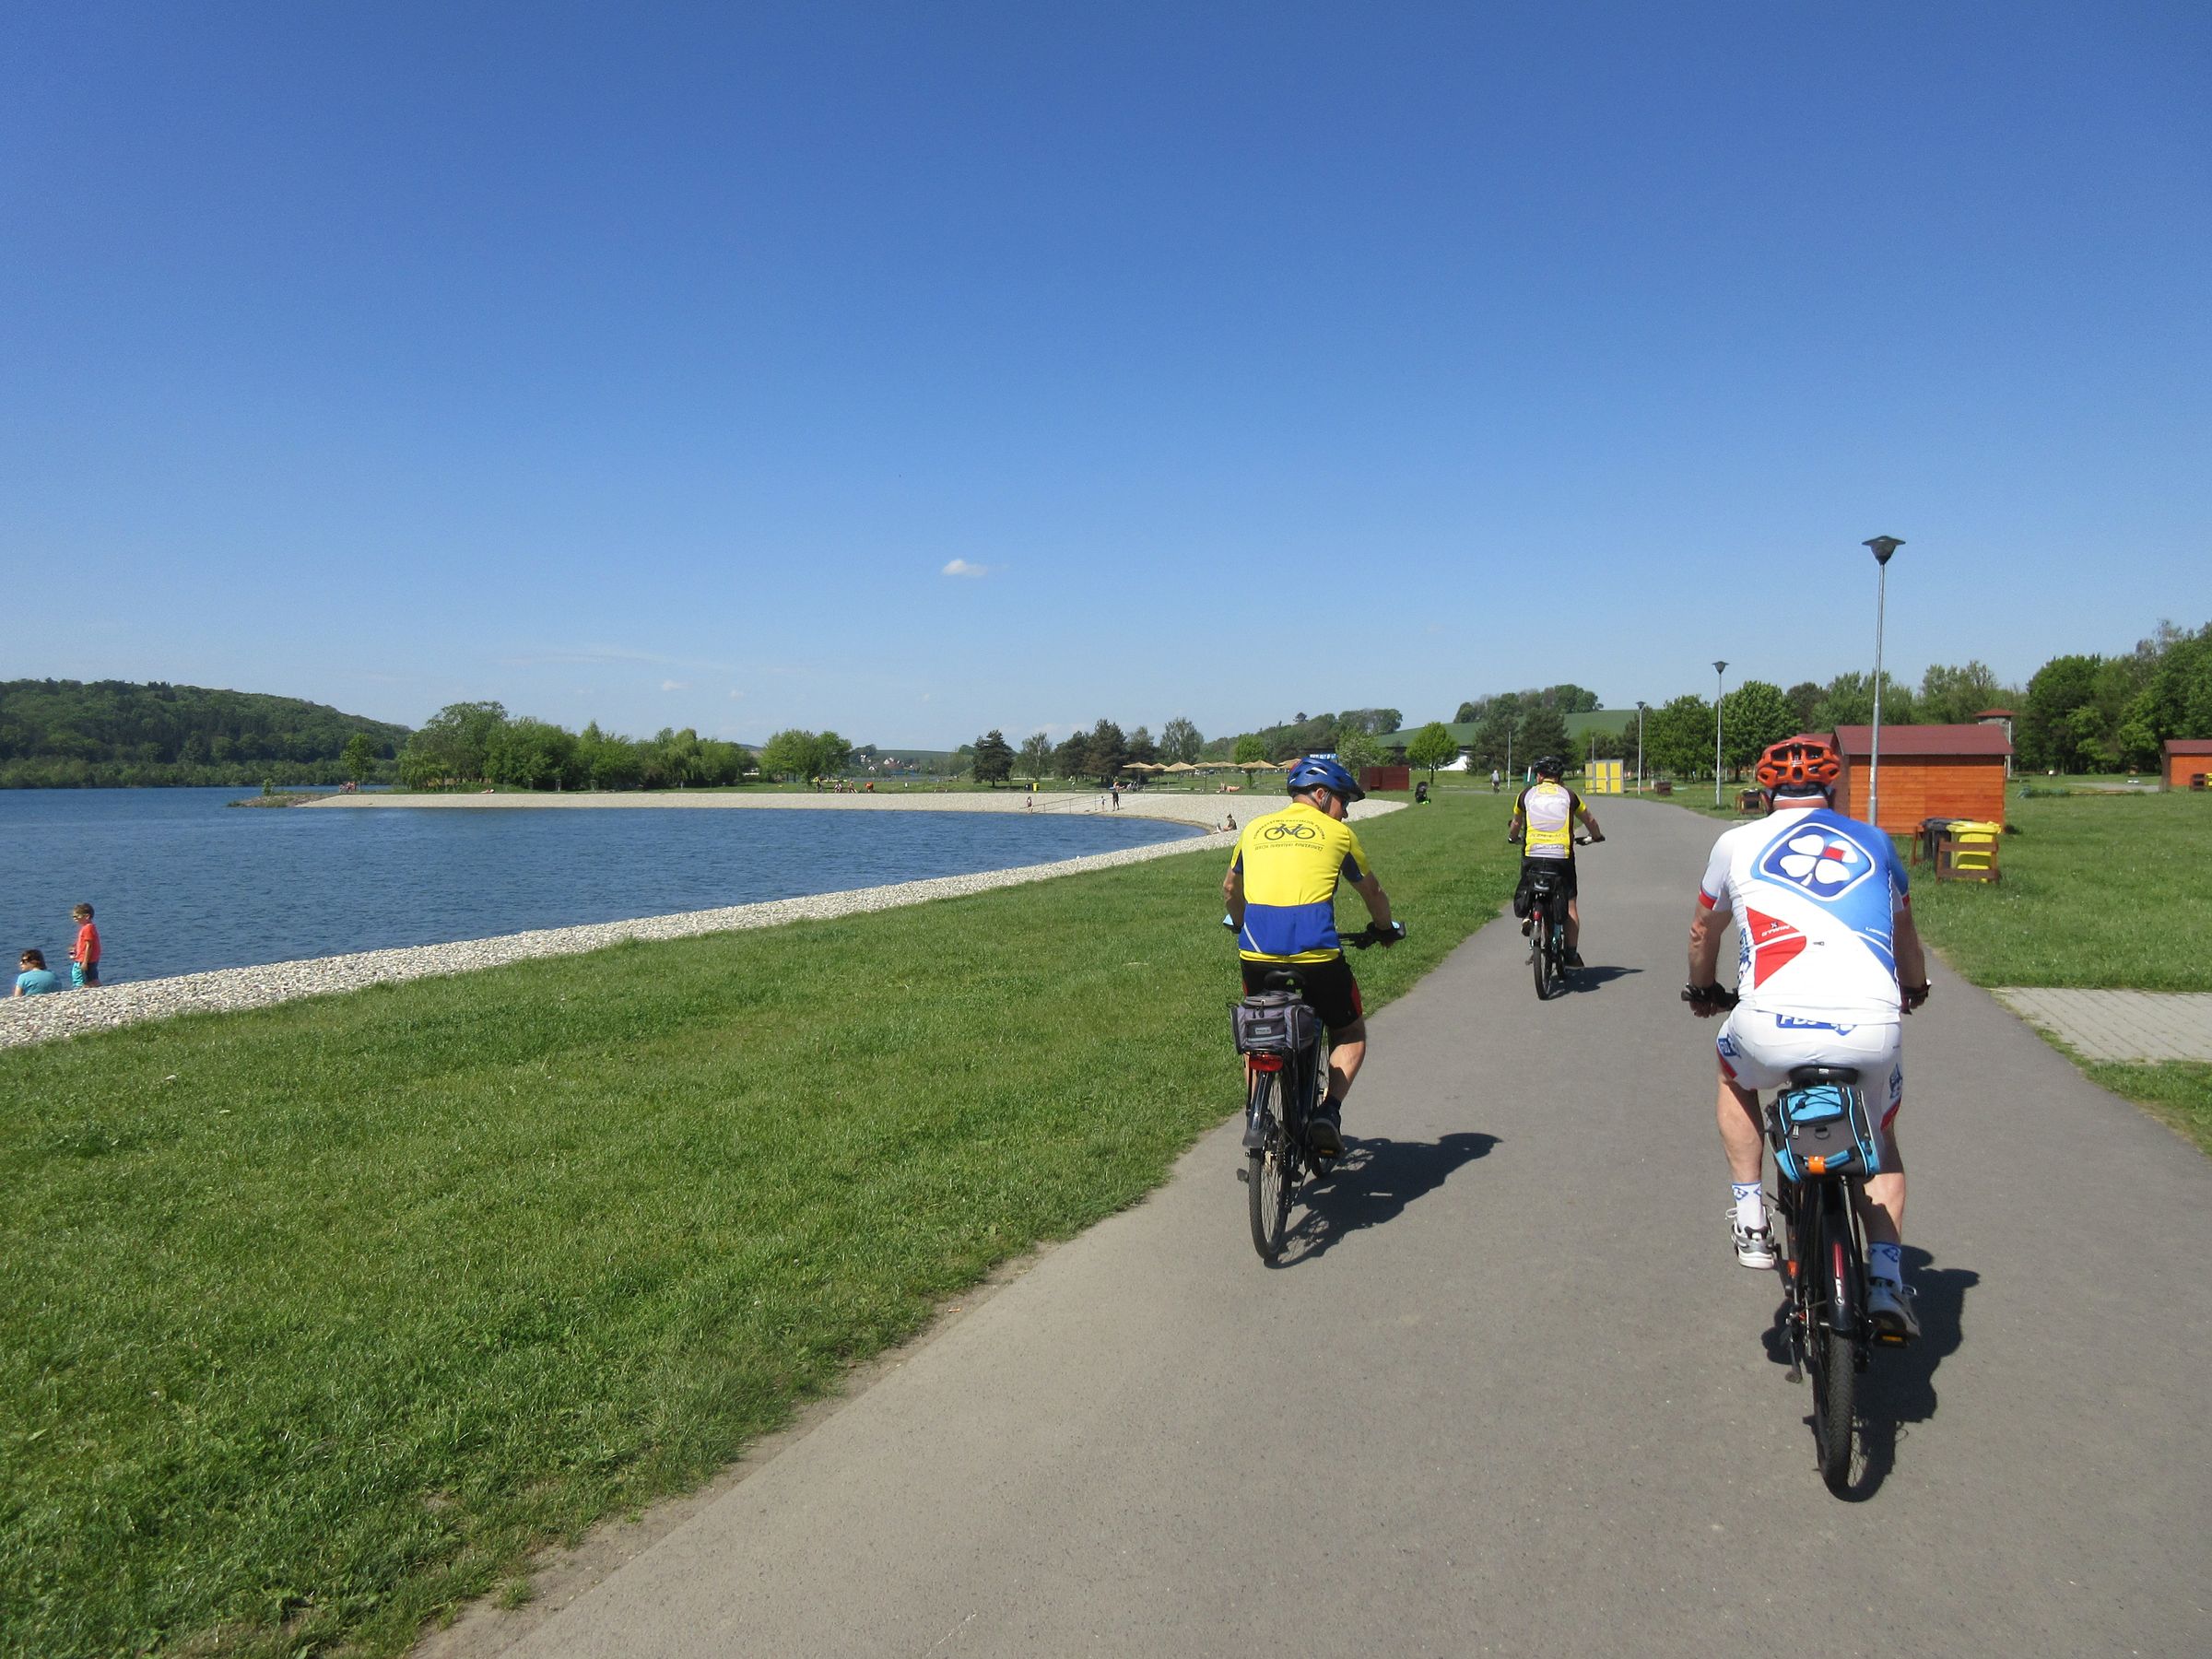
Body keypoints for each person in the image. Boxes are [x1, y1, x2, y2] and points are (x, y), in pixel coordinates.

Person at [1684, 735, 1930, 1339]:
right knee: (1881, 1138)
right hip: (1869, 1028)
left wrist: (1704, 989)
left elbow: (1703, 930)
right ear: (1833, 787)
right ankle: (1886, 1280)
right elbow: (1904, 930)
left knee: (1733, 1073)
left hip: (1771, 1024)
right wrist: (1914, 987)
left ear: (1765, 791)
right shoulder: (1875, 842)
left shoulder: (1736, 843)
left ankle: (1750, 1216)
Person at [1222, 755, 1401, 1156]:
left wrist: (1241, 922)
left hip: (1257, 954)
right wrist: (1385, 929)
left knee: (1258, 1029)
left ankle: (1257, 1115)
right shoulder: (1339, 835)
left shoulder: (1253, 829)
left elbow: (1231, 889)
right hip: (1317, 957)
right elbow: (1372, 893)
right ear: (1321, 795)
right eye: (1343, 802)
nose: (1345, 812)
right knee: (1350, 1031)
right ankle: (1328, 1112)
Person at [1507, 758, 1604, 968]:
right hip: (1561, 857)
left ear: (1539, 776)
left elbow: (1516, 823)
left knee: (1530, 885)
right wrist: (1596, 836)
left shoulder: (1525, 795)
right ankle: (1570, 954)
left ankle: (1530, 917)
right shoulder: (1569, 796)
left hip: (1533, 855)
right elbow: (1589, 820)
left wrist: (1512, 837)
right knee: (1570, 904)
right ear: (1559, 777)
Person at [69, 902, 100, 988]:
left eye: (76, 916)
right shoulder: (88, 927)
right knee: (92, 977)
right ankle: (96, 988)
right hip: (87, 958)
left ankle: (83, 989)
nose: (74, 919)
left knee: (84, 979)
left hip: (86, 959)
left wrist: (85, 962)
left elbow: (89, 945)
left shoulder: (87, 928)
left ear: (86, 916)